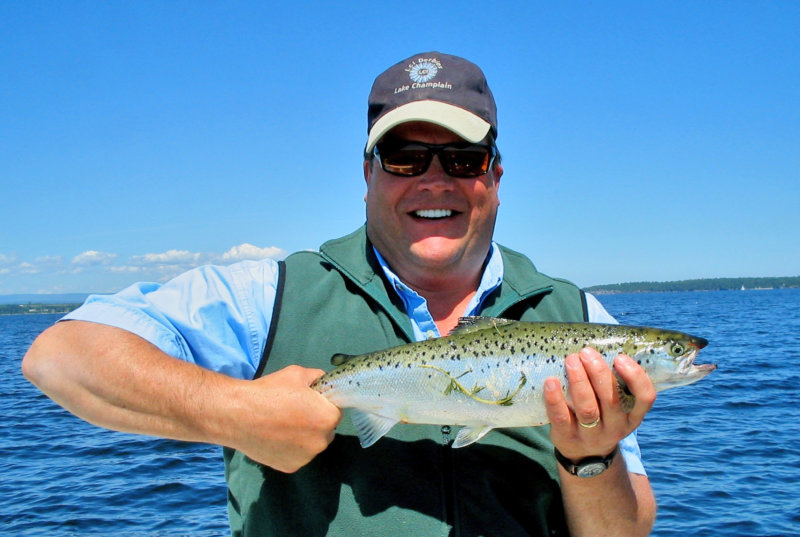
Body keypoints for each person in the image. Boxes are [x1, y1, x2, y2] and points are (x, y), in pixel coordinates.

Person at [23, 52, 656, 536]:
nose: (435, 181)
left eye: (462, 158)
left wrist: (591, 457)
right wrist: (233, 412)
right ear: (367, 174)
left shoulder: (580, 320)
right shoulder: (262, 298)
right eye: (406, 157)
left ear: (494, 174)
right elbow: (59, 356)